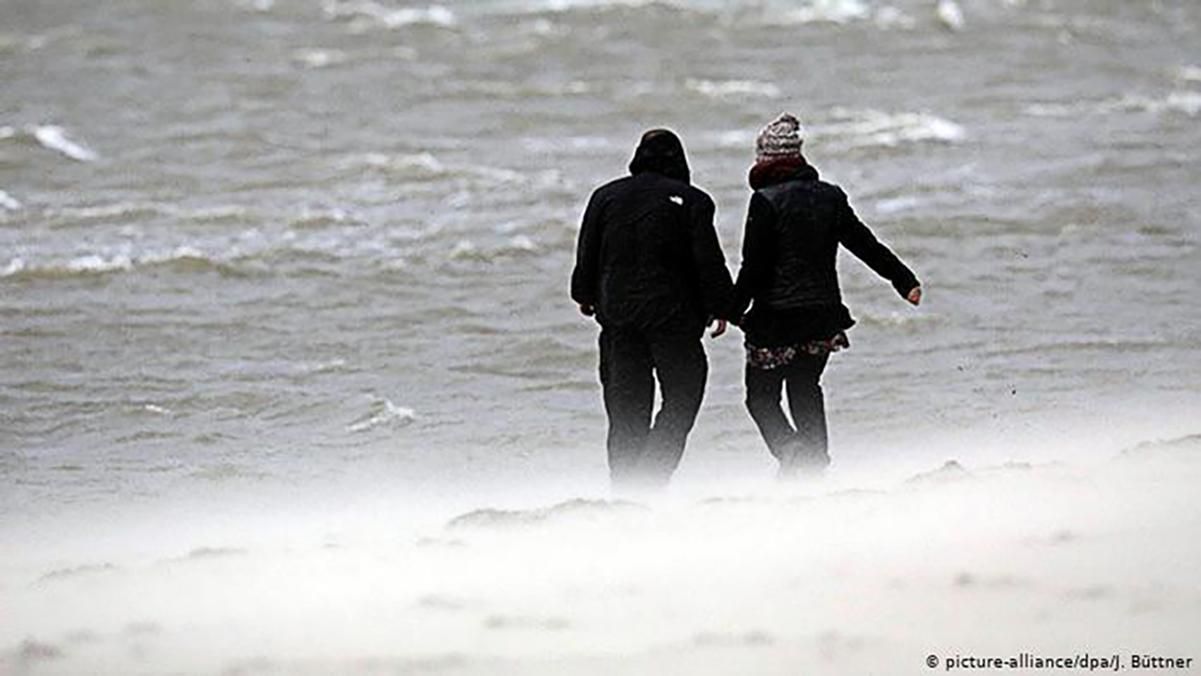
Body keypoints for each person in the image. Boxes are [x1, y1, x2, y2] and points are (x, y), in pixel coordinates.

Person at [732, 113, 922, 477]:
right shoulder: (829, 197)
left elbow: (753, 269)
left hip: (776, 319)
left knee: (761, 398)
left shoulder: (765, 201)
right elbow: (864, 244)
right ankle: (816, 464)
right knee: (805, 388)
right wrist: (903, 279)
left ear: (766, 158)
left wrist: (728, 309)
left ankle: (792, 454)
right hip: (821, 315)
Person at [571, 129, 736, 491]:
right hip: (673, 320)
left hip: (618, 319)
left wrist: (583, 293)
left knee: (626, 410)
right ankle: (652, 478)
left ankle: (625, 491)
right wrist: (723, 307)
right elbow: (707, 260)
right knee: (683, 395)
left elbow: (588, 252)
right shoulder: (694, 201)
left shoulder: (604, 197)